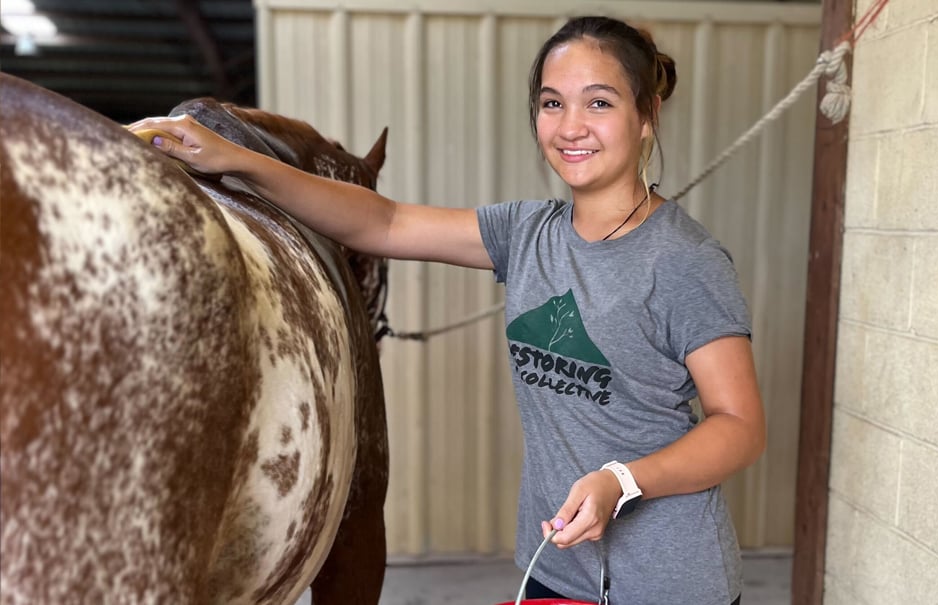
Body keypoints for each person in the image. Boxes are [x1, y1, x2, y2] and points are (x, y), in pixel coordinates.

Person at [129, 15, 765, 605]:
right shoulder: (527, 234)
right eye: (552, 103)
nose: (571, 126)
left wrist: (621, 482)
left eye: (599, 102)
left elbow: (739, 425)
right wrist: (238, 160)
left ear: (647, 115)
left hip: (669, 580)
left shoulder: (684, 261)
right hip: (556, 564)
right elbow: (383, 222)